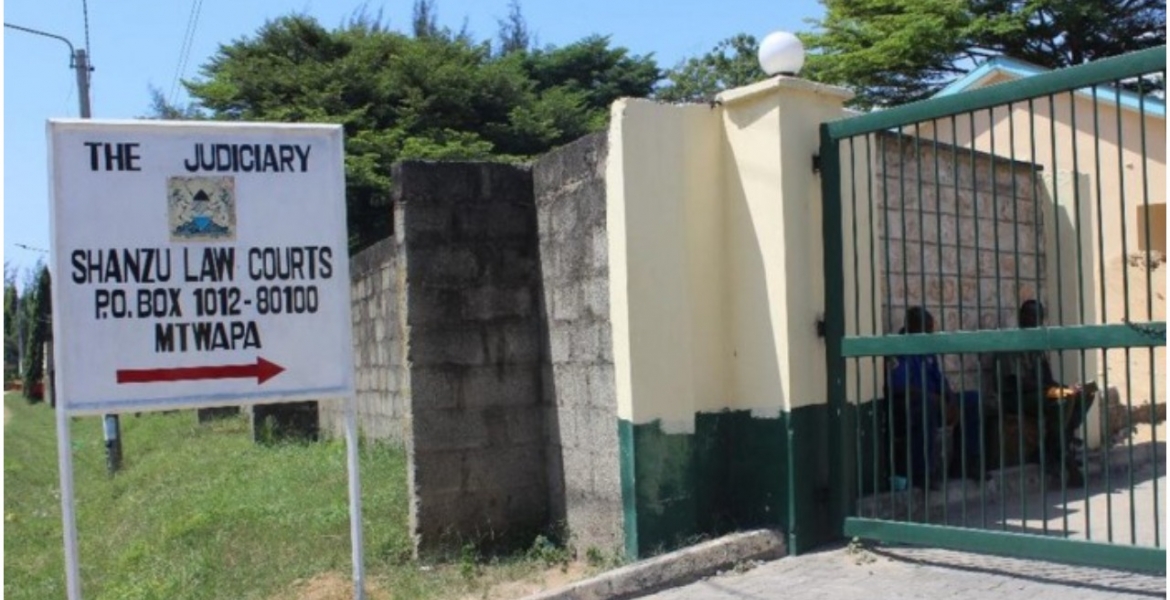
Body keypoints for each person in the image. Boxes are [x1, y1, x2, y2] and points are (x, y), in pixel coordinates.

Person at [993, 299, 1097, 487]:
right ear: (1021, 317)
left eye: (1036, 317)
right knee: (1062, 400)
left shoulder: (1037, 344)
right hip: (1016, 396)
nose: (1032, 320)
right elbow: (1015, 381)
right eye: (1028, 315)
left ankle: (1057, 444)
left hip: (1039, 392)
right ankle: (1060, 450)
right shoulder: (1010, 342)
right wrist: (1054, 390)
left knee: (1084, 394)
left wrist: (1067, 388)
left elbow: (1047, 378)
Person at [887, 307, 985, 488]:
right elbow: (899, 387)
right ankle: (923, 474)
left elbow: (939, 379)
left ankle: (966, 462)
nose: (930, 334)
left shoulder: (926, 348)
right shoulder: (898, 349)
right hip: (907, 407)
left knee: (972, 400)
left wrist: (951, 399)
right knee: (926, 405)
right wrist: (935, 398)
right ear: (912, 327)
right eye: (926, 329)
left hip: (933, 402)